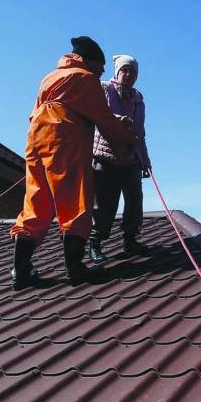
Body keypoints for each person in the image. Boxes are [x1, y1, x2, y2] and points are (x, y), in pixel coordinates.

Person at [9, 35, 135, 289]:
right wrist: (126, 139)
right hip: (64, 138)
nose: (101, 73)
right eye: (100, 67)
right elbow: (104, 120)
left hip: (36, 139)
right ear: (90, 62)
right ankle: (75, 269)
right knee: (75, 201)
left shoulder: (50, 77)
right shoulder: (85, 78)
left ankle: (20, 271)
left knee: (37, 201)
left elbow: (34, 112)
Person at [87, 54, 152, 263]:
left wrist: (146, 160)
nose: (129, 74)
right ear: (117, 72)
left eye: (133, 71)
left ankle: (130, 239)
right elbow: (96, 114)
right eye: (125, 70)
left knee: (134, 200)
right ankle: (95, 242)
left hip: (130, 158)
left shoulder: (138, 100)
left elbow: (140, 134)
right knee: (106, 204)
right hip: (106, 157)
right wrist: (117, 120)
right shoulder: (104, 88)